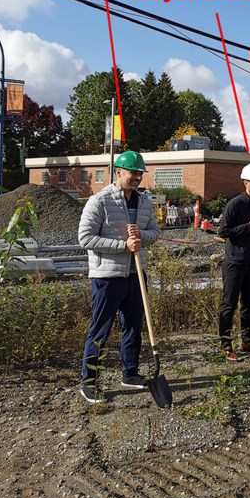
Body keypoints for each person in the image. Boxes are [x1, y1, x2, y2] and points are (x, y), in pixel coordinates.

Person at [78, 151, 160, 404]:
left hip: (136, 273)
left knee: (133, 326)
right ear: (118, 172)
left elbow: (154, 232)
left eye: (139, 173)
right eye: (132, 172)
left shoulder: (145, 202)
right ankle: (89, 382)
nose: (136, 177)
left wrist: (141, 238)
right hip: (108, 276)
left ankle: (130, 373)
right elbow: (86, 238)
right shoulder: (99, 201)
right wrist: (122, 245)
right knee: (100, 329)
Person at [217, 163, 250, 360]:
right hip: (235, 262)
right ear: (246, 183)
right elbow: (223, 232)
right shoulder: (235, 204)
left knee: (249, 302)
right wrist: (248, 226)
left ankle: (246, 340)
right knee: (229, 303)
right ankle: (226, 345)